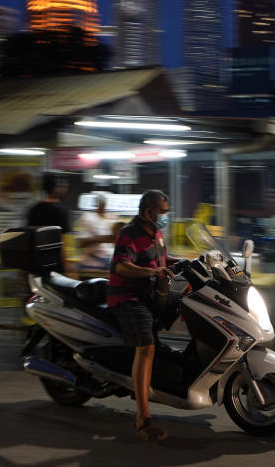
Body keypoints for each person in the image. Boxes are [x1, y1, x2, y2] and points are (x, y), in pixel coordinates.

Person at [107, 189, 181, 441]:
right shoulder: (129, 233)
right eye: (162, 212)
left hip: (151, 294)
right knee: (146, 346)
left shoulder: (156, 232)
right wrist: (151, 273)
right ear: (149, 212)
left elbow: (161, 259)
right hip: (128, 296)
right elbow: (121, 265)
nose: (165, 217)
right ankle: (143, 418)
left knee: (188, 302)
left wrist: (186, 262)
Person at [27, 172, 72, 275]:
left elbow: (29, 237)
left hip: (36, 262)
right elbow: (63, 240)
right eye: (62, 185)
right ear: (55, 187)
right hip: (55, 263)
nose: (65, 188)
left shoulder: (34, 209)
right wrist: (68, 267)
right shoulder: (61, 210)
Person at [76, 193, 114, 275]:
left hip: (107, 261)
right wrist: (100, 239)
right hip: (92, 264)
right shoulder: (88, 218)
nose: (103, 206)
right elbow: (81, 243)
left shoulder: (108, 218)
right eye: (101, 203)